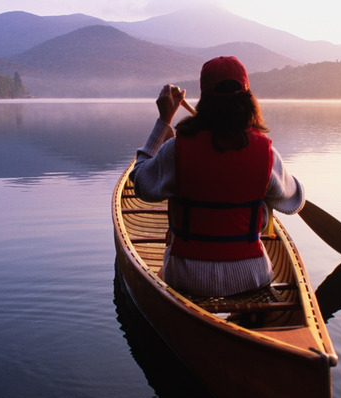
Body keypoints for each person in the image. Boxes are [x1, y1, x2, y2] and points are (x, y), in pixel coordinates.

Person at [130, 56, 305, 297]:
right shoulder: (267, 153)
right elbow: (292, 203)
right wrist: (275, 196)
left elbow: (140, 184)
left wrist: (163, 122)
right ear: (248, 98)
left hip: (187, 277)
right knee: (263, 203)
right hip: (251, 276)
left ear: (205, 99)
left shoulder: (176, 149)